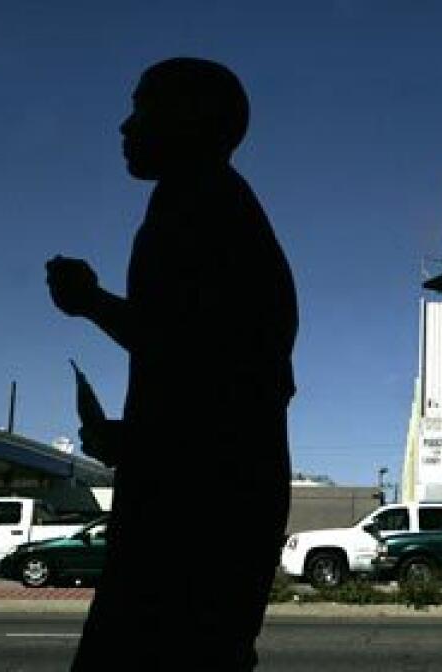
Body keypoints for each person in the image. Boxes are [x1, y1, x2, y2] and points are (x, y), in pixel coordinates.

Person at [46, 57, 297, 670]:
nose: (125, 126)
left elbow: (193, 350)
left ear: (191, 118)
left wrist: (91, 303)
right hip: (214, 496)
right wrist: (134, 441)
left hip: (194, 515)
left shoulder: (195, 204)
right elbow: (209, 368)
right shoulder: (217, 204)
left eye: (143, 108)